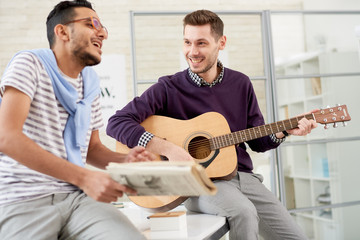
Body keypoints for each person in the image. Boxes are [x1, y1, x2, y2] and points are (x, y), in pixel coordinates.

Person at [106, 9, 318, 240]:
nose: (192, 51)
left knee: (295, 236)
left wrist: (283, 131)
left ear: (221, 43)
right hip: (199, 182)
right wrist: (169, 149)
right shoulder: (168, 88)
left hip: (244, 177)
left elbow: (257, 141)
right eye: (187, 42)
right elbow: (117, 123)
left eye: (201, 43)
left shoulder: (241, 84)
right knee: (244, 213)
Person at [0, 1, 155, 239]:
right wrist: (85, 177)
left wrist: (125, 160)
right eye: (91, 24)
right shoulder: (29, 64)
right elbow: (7, 137)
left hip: (77, 198)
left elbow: (92, 149)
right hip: (24, 198)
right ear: (62, 31)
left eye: (103, 27)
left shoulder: (90, 83)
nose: (101, 32)